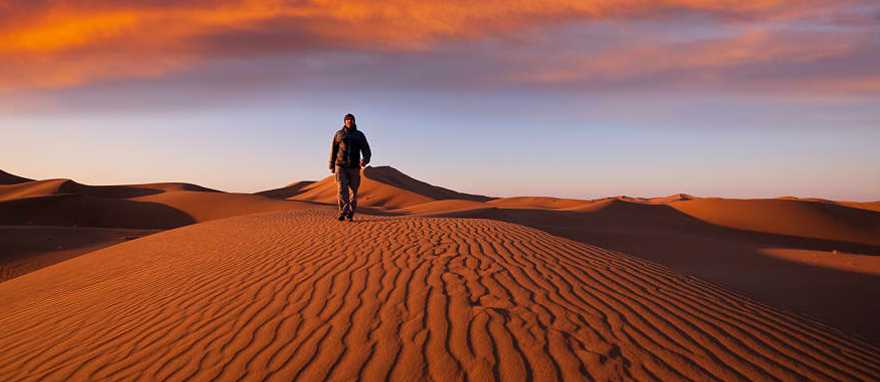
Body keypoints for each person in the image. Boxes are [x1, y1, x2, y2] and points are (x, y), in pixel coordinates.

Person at [329, 113, 371, 221]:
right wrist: (331, 164)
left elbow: (366, 150)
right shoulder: (339, 134)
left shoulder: (359, 135)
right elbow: (333, 150)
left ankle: (350, 213)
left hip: (354, 167)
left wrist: (364, 160)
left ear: (354, 121)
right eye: (347, 120)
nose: (349, 121)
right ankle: (343, 211)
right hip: (340, 165)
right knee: (342, 189)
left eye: (351, 119)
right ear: (344, 122)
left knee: (354, 192)